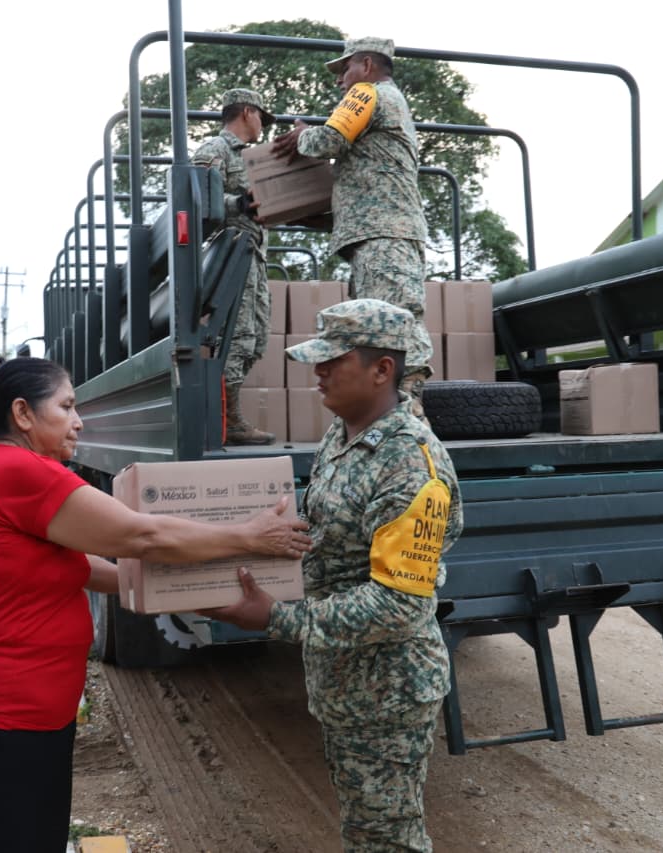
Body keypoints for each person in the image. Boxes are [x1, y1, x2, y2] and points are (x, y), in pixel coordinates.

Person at [0, 355, 312, 852]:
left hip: (15, 713)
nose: (78, 421)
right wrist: (248, 536)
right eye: (67, 406)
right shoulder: (20, 471)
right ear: (23, 413)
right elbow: (142, 535)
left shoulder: (8, 470)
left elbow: (80, 567)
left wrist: (177, 593)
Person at [204, 300, 463, 852]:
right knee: (362, 829)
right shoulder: (342, 436)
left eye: (333, 360)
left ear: (382, 369)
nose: (318, 371)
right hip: (344, 682)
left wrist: (275, 617)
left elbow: (399, 605)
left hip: (388, 692)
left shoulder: (410, 461)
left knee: (387, 839)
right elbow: (328, 541)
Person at [272, 37, 434, 403]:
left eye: (344, 69)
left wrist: (301, 135)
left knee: (394, 317)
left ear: (366, 65)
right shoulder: (387, 101)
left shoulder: (368, 93)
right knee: (376, 325)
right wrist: (313, 216)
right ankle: (393, 407)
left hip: (384, 235)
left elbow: (326, 141)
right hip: (380, 233)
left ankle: (409, 405)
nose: (339, 79)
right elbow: (367, 187)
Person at [192, 88, 278, 445]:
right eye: (261, 117)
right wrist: (238, 204)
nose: (263, 125)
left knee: (256, 338)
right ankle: (226, 421)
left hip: (253, 257)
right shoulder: (215, 150)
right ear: (246, 112)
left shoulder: (254, 157)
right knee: (238, 339)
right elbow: (197, 199)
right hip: (230, 256)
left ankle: (227, 415)